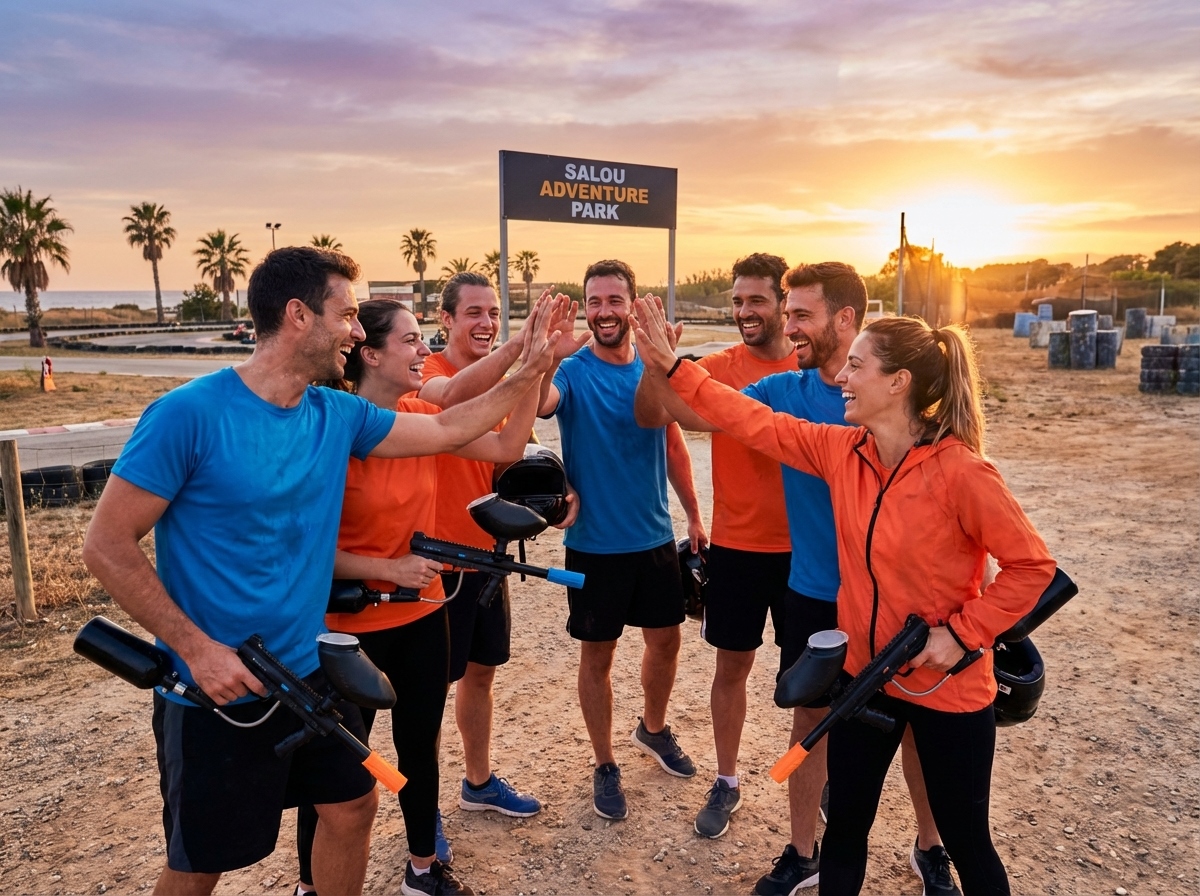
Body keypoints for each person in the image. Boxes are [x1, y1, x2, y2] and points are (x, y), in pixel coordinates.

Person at [81, 247, 559, 896]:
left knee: (353, 807)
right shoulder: (188, 415)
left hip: (307, 672)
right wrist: (197, 650)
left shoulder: (337, 416)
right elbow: (106, 544)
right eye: (349, 315)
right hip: (217, 689)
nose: (359, 332)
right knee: (201, 867)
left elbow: (447, 427)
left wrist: (530, 366)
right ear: (299, 315)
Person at [634, 296, 1055, 896]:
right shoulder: (842, 451)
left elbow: (1032, 567)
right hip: (867, 679)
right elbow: (748, 420)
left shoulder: (962, 472)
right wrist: (674, 368)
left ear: (898, 382)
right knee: (847, 832)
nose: (844, 379)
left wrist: (962, 634)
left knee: (967, 840)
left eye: (857, 368)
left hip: (951, 693)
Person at [294, 297, 555, 896]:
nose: (422, 351)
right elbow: (305, 547)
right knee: (336, 764)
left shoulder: (415, 415)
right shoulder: (332, 429)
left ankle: (422, 870)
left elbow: (504, 449)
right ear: (370, 353)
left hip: (419, 611)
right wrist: (388, 566)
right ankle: (310, 883)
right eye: (410, 341)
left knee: (419, 747)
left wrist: (537, 368)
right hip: (345, 621)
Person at [416, 273, 585, 857]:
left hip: (487, 557)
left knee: (481, 674)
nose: (486, 322)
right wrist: (525, 353)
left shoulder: (502, 373)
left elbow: (520, 449)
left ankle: (478, 782)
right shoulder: (430, 375)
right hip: (435, 563)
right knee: (429, 694)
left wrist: (556, 496)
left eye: (494, 312)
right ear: (445, 320)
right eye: (473, 313)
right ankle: (424, 809)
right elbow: (458, 399)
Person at [536, 259, 707, 821]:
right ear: (585, 308)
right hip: (594, 546)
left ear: (634, 304)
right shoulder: (573, 370)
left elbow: (674, 445)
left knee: (666, 642)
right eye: (595, 301)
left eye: (615, 300)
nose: (604, 311)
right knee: (598, 657)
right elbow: (541, 406)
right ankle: (605, 763)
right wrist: (546, 357)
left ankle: (652, 730)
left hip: (654, 539)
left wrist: (694, 515)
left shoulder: (652, 364)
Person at [633, 253, 796, 842]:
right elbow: (655, 416)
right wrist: (657, 364)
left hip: (809, 553)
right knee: (733, 669)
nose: (744, 311)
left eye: (756, 300)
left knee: (814, 680)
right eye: (736, 300)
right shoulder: (720, 367)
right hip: (739, 548)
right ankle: (727, 781)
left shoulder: (815, 369)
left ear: (783, 302)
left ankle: (813, 777)